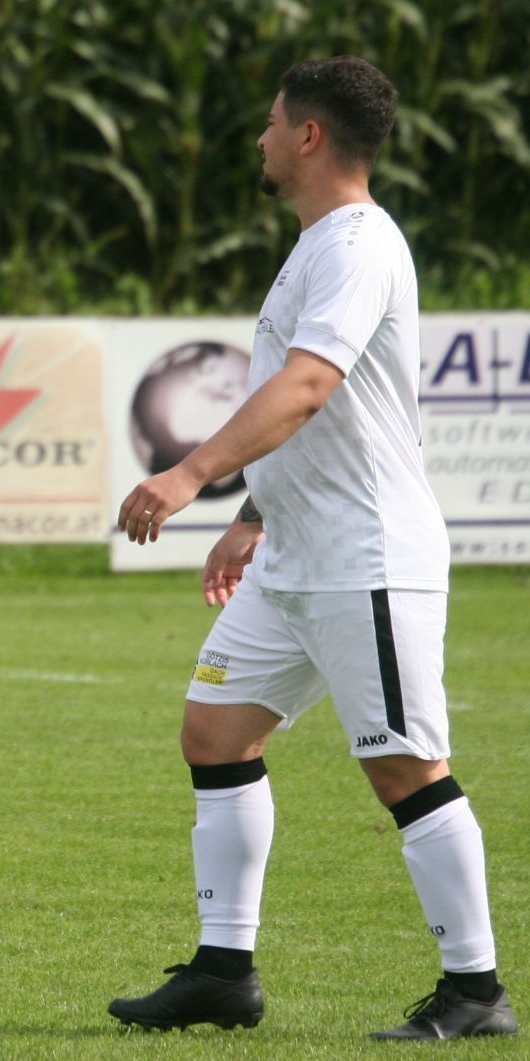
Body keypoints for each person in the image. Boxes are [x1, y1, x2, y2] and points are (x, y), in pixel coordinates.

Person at [109, 57, 515, 1041]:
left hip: (362, 555)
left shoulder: (355, 245)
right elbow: (307, 412)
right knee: (213, 732)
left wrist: (186, 475)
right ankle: (221, 971)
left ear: (306, 137)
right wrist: (250, 515)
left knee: (404, 767)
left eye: (268, 121)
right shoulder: (316, 245)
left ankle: (473, 992)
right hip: (292, 552)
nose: (255, 137)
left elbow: (304, 389)